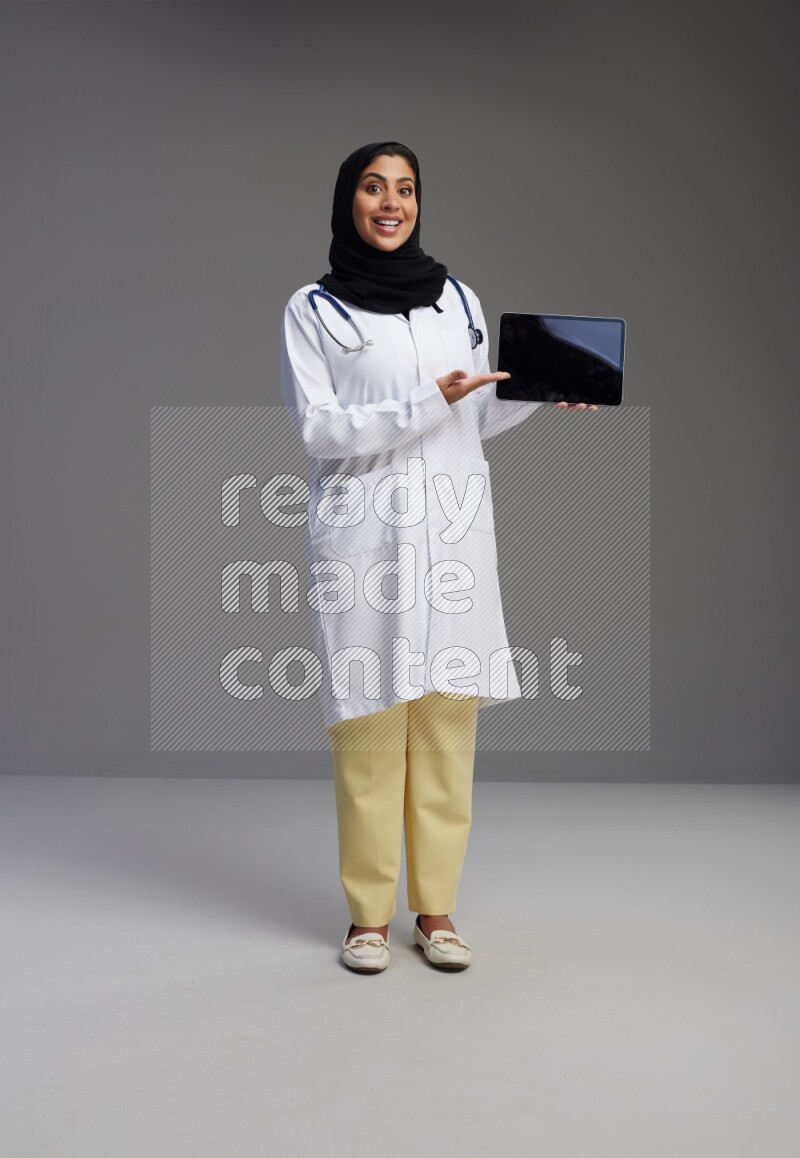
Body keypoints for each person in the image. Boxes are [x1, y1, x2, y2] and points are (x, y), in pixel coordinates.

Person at [280, 141, 597, 973]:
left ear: (421, 203)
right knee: (373, 730)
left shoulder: (458, 297)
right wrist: (431, 399)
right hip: (365, 540)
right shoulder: (314, 310)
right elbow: (319, 431)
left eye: (407, 189)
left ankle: (438, 911)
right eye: (375, 188)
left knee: (449, 729)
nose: (392, 203)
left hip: (453, 536)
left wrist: (532, 396)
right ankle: (367, 918)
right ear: (348, 201)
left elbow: (470, 419)